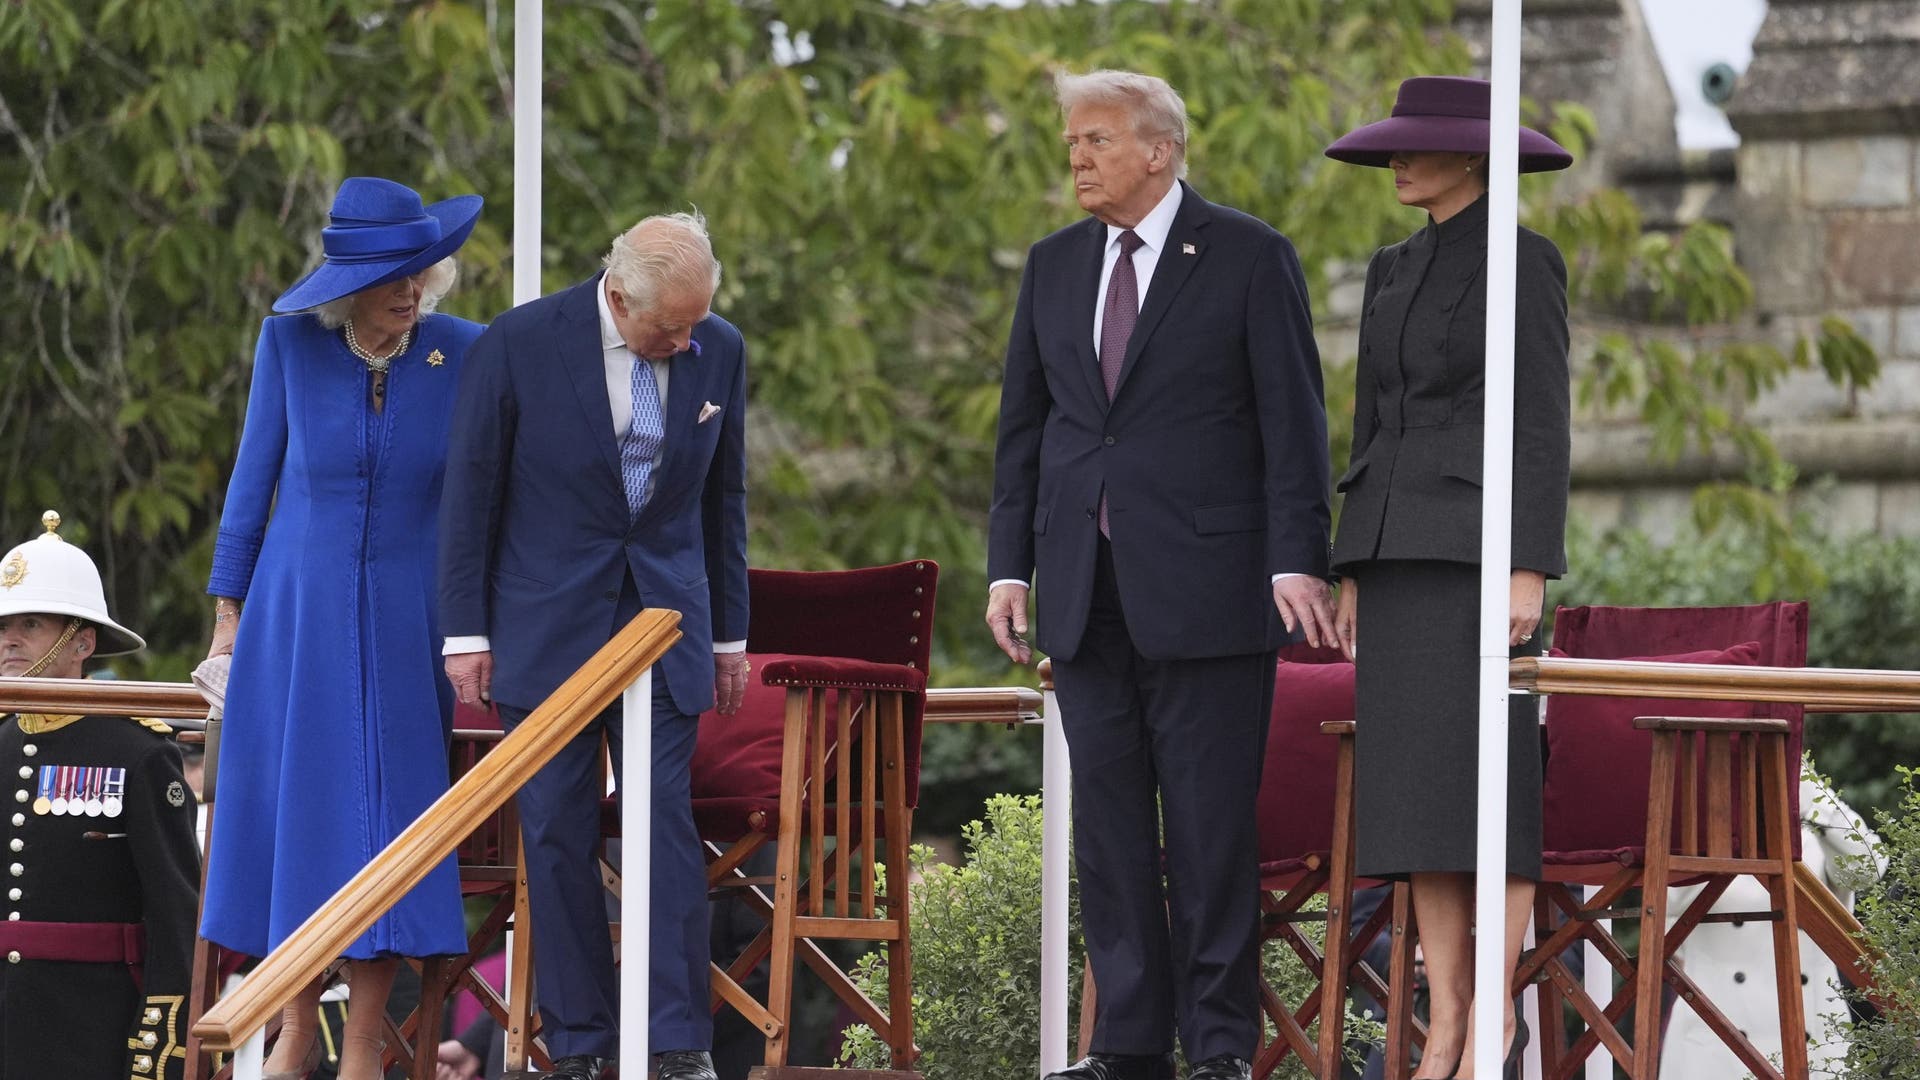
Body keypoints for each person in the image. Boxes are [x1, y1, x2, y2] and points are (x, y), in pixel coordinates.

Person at [987, 70, 1334, 1080]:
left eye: (1096, 139)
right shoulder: (1052, 266)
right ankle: (1128, 1045)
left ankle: (1220, 1047)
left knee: (1211, 832)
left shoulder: (1250, 256)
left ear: (1160, 149)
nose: (1078, 158)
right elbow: (1024, 433)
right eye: (1072, 142)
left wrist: (1294, 559)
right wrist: (1011, 568)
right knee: (1109, 835)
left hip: (1213, 593)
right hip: (1081, 592)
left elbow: (1293, 426)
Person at [438, 211, 750, 1080]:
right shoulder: (518, 343)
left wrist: (730, 637)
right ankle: (577, 1045)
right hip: (543, 629)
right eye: (669, 327)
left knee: (664, 826)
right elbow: (471, 497)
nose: (687, 342)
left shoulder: (718, 347)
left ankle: (678, 1042)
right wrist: (465, 634)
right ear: (618, 294)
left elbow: (725, 499)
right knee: (557, 833)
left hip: (664, 624)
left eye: (697, 322)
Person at [199, 176, 485, 1080]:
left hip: (412, 616)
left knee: (387, 825)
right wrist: (226, 625)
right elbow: (254, 483)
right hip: (295, 614)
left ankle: (362, 1049)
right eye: (389, 275)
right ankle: (291, 1028)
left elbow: (484, 503)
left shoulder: (466, 354)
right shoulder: (289, 343)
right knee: (299, 818)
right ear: (345, 283)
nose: (410, 289)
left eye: (419, 272)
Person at [1322, 75, 1573, 1079]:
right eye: (1393, 145)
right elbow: (1368, 424)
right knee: (1415, 800)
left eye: (1418, 147)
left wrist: (1527, 568)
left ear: (1474, 156)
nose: (1399, 161)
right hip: (1390, 557)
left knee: (1490, 794)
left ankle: (1494, 1019)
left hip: (1479, 556)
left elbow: (1543, 422)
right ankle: (1442, 1023)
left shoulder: (1526, 261)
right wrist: (1349, 565)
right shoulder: (1389, 267)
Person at [0, 511, 200, 1079]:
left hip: (95, 1031)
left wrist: (158, 1043)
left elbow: (174, 913)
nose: (10, 638)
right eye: (2, 625)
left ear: (82, 641)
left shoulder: (136, 750)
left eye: (30, 623)